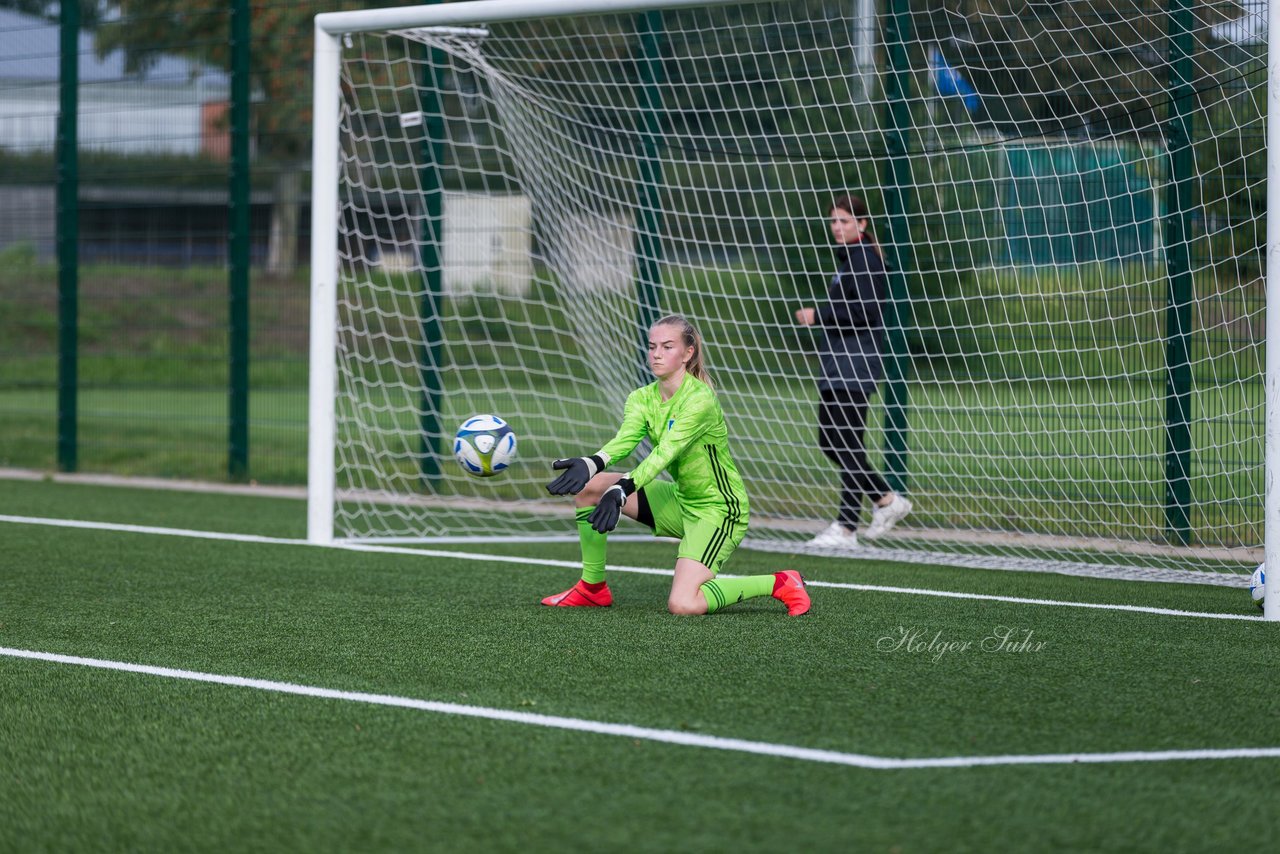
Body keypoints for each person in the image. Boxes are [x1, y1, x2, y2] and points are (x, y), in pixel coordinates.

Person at [542, 314, 810, 616]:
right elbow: (625, 440)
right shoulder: (641, 398)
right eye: (652, 346)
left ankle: (779, 583)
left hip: (718, 510)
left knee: (683, 604)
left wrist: (622, 489)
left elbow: (665, 452)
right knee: (590, 488)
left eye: (667, 346)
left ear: (688, 353)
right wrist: (593, 463)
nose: (656, 353)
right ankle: (592, 589)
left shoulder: (700, 399)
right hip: (680, 501)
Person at [795, 194, 911, 549]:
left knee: (845, 442)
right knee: (832, 441)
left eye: (845, 221)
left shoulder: (865, 261)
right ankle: (885, 501)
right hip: (838, 364)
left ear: (861, 224)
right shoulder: (850, 260)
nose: (837, 227)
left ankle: (847, 527)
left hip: (855, 364)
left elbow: (866, 312)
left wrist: (819, 316)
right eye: (834, 221)